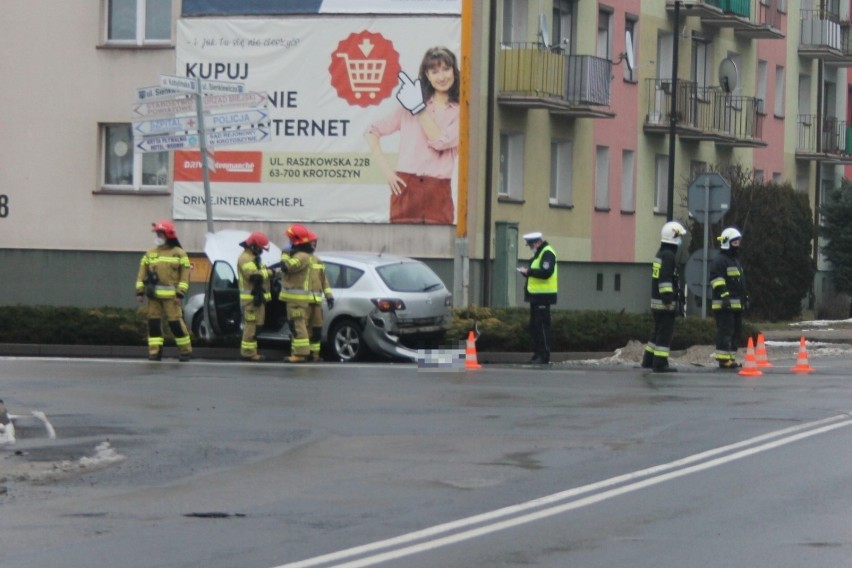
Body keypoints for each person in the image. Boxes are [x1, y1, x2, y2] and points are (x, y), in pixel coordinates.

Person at [365, 46, 460, 225]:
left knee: (439, 246)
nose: (442, 77)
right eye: (435, 71)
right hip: (406, 185)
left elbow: (441, 141)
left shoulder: (460, 112)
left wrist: (418, 109)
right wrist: (387, 172)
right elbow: (372, 131)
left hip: (438, 189)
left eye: (446, 69)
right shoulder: (408, 106)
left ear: (454, 71)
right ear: (427, 75)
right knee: (400, 246)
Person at [135, 220, 192, 362]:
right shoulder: (150, 253)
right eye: (157, 234)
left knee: (175, 324)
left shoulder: (179, 253)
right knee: (153, 324)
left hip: (172, 298)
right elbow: (141, 273)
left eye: (160, 234)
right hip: (153, 297)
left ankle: (185, 351)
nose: (158, 236)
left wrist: (180, 294)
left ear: (168, 235)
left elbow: (185, 277)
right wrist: (140, 291)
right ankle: (155, 352)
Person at [643, 221, 687, 373]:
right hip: (664, 303)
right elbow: (666, 279)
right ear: (673, 237)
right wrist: (668, 298)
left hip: (656, 302)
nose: (681, 240)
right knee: (664, 334)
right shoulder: (668, 256)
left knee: (657, 331)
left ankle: (648, 360)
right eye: (679, 236)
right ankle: (660, 363)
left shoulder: (660, 253)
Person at [710, 227, 749, 369]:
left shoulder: (734, 261)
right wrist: (725, 296)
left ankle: (730, 358)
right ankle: (723, 359)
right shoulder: (720, 261)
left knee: (735, 331)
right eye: (735, 242)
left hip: (735, 304)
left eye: (739, 242)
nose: (737, 245)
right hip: (724, 304)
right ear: (727, 243)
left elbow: (740, 283)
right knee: (725, 331)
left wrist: (745, 298)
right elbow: (716, 280)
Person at [279, 224, 318, 363]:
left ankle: (301, 354)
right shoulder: (300, 255)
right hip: (294, 299)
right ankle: (297, 353)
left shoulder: (302, 256)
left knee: (298, 326)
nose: (289, 242)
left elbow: (286, 267)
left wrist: (284, 254)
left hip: (297, 300)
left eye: (290, 240)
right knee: (294, 326)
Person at [518, 231, 558, 364]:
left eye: (531, 245)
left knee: (542, 326)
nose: (530, 248)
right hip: (536, 296)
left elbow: (546, 272)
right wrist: (527, 273)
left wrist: (529, 272)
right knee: (534, 326)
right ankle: (537, 354)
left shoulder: (547, 252)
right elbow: (537, 272)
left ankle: (544, 355)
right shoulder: (540, 254)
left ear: (537, 242)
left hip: (543, 296)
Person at [237, 231, 273, 362]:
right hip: (250, 301)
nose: (261, 251)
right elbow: (254, 276)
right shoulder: (245, 258)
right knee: (251, 326)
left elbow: (259, 272)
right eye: (260, 248)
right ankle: (248, 353)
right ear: (253, 246)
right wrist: (271, 272)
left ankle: (251, 351)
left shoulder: (253, 258)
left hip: (257, 299)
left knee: (256, 326)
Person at [306, 237, 334, 361]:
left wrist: (329, 297)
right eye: (311, 243)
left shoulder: (318, 261)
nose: (313, 246)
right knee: (304, 330)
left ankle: (315, 355)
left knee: (317, 329)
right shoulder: (301, 259)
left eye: (314, 243)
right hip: (304, 302)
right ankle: (303, 354)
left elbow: (324, 281)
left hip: (316, 302)